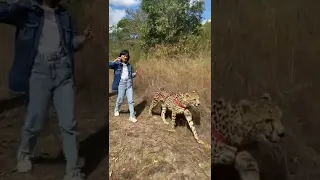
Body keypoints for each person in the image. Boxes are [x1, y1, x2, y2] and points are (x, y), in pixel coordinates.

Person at [0, 0, 93, 179]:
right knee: (35, 118)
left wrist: (83, 39)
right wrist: (19, 4)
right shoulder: (28, 11)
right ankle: (24, 154)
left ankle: (73, 171)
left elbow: (69, 44)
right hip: (39, 72)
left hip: (63, 72)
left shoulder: (64, 15)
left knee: (69, 123)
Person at [109, 50, 138, 123]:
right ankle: (116, 109)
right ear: (120, 56)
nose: (125, 57)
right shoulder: (117, 64)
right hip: (121, 84)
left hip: (129, 84)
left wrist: (134, 74)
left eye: (126, 56)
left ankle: (132, 116)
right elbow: (109, 65)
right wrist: (116, 60)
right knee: (120, 99)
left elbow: (129, 75)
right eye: (124, 55)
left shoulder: (129, 65)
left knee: (131, 101)